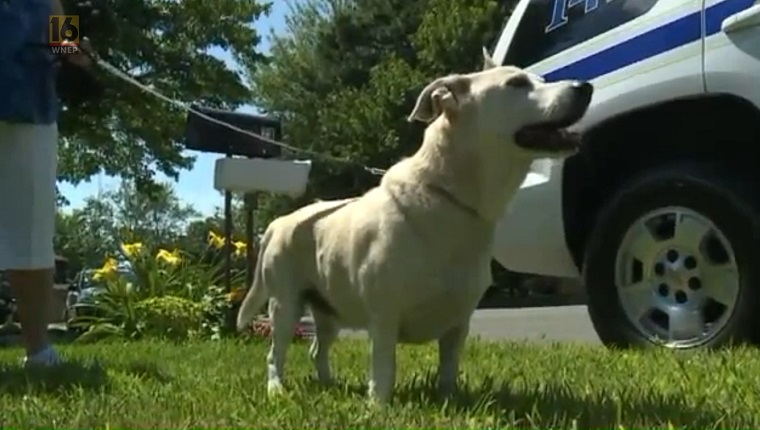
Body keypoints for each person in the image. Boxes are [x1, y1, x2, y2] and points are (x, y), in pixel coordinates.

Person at [0, 0, 92, 366]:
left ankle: (39, 352)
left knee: (33, 230)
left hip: (31, 106)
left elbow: (56, 31)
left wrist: (74, 50)